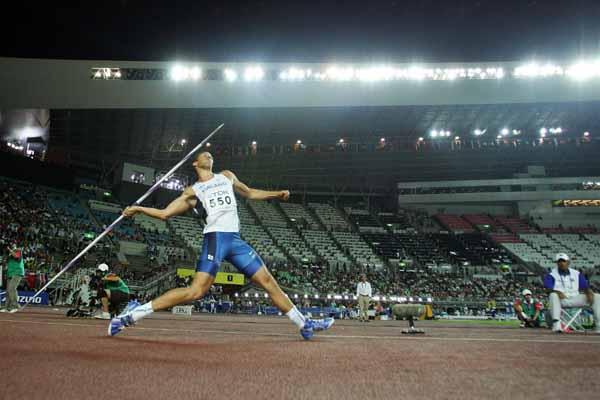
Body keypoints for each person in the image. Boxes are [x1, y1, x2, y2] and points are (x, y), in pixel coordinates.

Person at [108, 151, 333, 339]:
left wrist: (278, 193)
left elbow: (251, 192)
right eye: (202, 154)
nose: (208, 154)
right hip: (215, 238)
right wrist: (138, 209)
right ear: (196, 163)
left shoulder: (226, 176)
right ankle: (132, 315)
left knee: (267, 281)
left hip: (234, 240)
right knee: (195, 292)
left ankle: (304, 325)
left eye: (209, 153)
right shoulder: (193, 190)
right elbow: (166, 213)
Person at [544, 253, 600, 334]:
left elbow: (585, 286)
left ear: (568, 262)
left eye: (563, 261)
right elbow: (548, 288)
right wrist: (557, 291)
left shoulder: (576, 273)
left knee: (597, 297)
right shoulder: (551, 275)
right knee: (553, 295)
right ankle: (557, 325)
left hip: (575, 298)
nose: (561, 263)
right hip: (561, 300)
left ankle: (599, 326)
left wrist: (589, 293)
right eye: (559, 261)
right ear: (556, 263)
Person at [1, 244, 24, 313]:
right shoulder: (9, 255)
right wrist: (5, 254)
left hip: (17, 273)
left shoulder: (18, 250)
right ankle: (7, 307)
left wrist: (10, 250)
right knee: (8, 291)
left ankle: (15, 306)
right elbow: (4, 263)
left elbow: (17, 257)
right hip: (10, 274)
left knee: (11, 288)